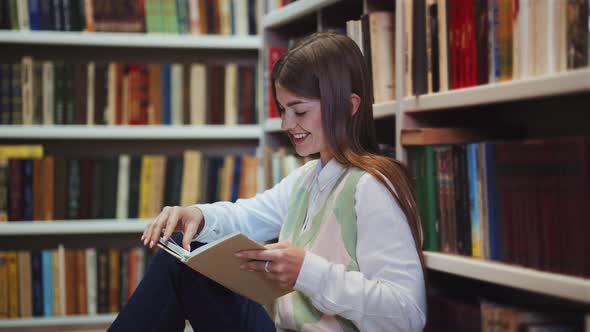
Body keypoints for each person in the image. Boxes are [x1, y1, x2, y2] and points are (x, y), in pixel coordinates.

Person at [109, 32, 426, 332]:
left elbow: (408, 313)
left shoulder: (373, 187)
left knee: (178, 264)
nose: (287, 124)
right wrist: (198, 215)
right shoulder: (307, 179)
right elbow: (247, 216)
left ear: (348, 106)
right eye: (283, 110)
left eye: (299, 111)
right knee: (179, 256)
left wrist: (307, 272)